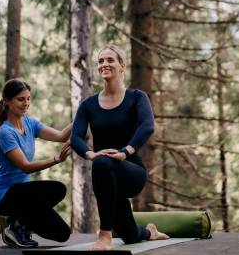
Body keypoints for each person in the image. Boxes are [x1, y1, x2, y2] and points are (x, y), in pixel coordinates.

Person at [71, 44, 169, 250]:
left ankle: (104, 236)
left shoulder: (136, 97)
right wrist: (90, 154)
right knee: (130, 235)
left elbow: (147, 126)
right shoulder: (88, 104)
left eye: (110, 60)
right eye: (100, 61)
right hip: (106, 175)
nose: (104, 64)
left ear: (122, 65)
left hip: (131, 172)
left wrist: (126, 152)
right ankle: (149, 232)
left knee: (103, 162)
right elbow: (76, 137)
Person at [0, 78, 72, 248]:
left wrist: (82, 114)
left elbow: (61, 136)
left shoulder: (30, 123)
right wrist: (56, 159)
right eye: (21, 99)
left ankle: (17, 224)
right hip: (5, 195)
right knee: (57, 189)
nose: (26, 103)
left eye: (28, 98)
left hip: (25, 197)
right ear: (7, 101)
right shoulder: (5, 132)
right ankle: (16, 226)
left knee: (63, 234)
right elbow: (25, 167)